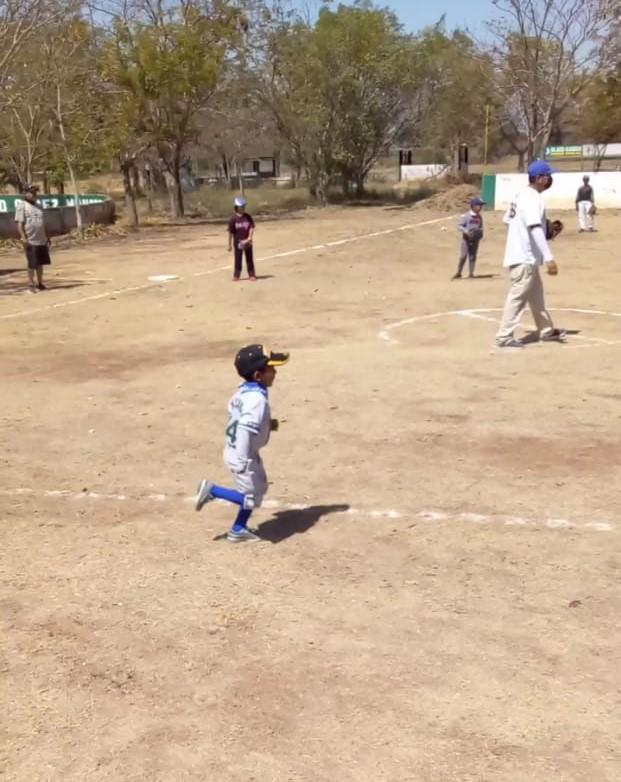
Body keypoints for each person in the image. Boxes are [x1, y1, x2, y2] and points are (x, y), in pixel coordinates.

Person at [194, 344, 289, 542]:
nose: (275, 372)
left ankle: (238, 529)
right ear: (258, 375)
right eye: (270, 368)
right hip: (242, 455)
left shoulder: (243, 393)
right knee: (251, 497)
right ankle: (213, 491)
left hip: (239, 451)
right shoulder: (256, 400)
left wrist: (266, 425)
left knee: (259, 488)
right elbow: (245, 427)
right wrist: (244, 460)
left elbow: (238, 419)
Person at [495, 159, 566, 349]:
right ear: (540, 179)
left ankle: (546, 330)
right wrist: (549, 257)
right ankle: (504, 337)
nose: (550, 180)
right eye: (548, 176)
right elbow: (533, 227)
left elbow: (508, 220)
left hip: (525, 256)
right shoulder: (534, 198)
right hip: (525, 257)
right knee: (517, 297)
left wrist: (542, 230)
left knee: (536, 297)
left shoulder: (520, 195)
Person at [15, 184, 51, 293]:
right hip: (30, 239)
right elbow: (19, 224)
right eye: (32, 192)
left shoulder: (39, 206)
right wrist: (23, 238)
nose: (34, 194)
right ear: (25, 193)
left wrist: (47, 237)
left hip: (41, 239)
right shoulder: (22, 206)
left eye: (35, 192)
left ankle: (40, 283)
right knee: (32, 263)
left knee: (40, 263)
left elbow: (43, 223)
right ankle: (31, 284)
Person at [452, 196, 485, 279]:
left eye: (481, 205)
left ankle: (471, 273)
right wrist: (466, 231)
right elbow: (459, 226)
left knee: (473, 256)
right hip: (466, 239)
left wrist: (480, 233)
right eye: (479, 205)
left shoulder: (479, 217)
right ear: (473, 206)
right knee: (463, 256)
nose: (480, 207)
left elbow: (480, 226)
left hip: (475, 240)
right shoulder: (465, 216)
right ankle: (459, 272)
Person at [228, 196, 256, 281]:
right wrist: (229, 245)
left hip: (247, 241)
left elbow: (251, 227)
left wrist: (249, 238)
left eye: (244, 206)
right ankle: (236, 275)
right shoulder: (233, 219)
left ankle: (251, 274)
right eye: (241, 206)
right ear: (237, 207)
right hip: (238, 243)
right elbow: (230, 233)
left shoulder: (247, 217)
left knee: (249, 258)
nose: (243, 208)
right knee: (238, 258)